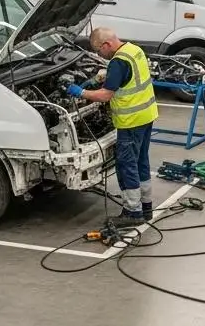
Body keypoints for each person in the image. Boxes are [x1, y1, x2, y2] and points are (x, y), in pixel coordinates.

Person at [67, 27, 158, 226]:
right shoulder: (134, 50)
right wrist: (102, 77)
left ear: (106, 44)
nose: (100, 55)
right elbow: (129, 78)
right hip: (147, 115)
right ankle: (146, 207)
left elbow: (106, 95)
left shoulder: (118, 62)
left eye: (99, 50)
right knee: (141, 161)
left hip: (131, 121)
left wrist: (80, 92)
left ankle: (132, 213)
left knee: (127, 165)